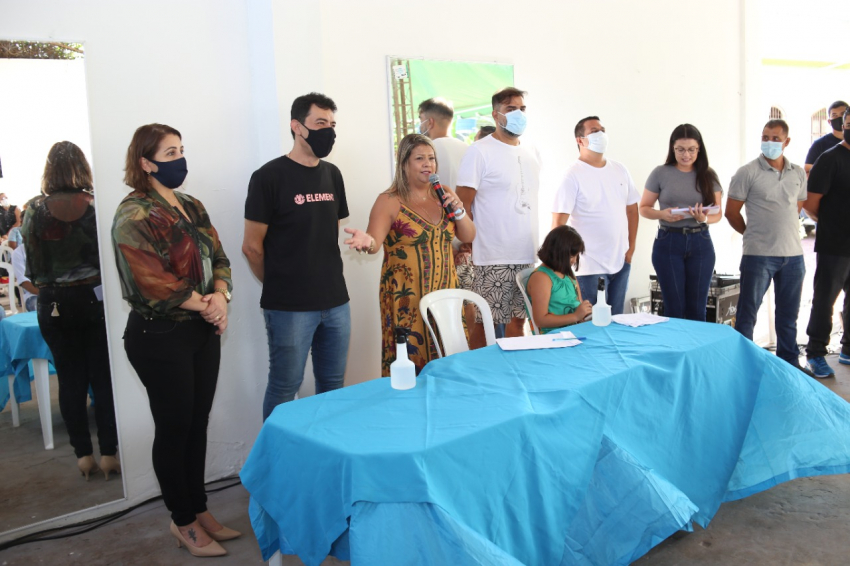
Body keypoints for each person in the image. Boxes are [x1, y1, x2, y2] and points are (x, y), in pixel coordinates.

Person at [113, 124, 237, 557]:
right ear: (146, 163)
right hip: (159, 335)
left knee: (197, 423)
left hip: (200, 330)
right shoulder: (133, 214)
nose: (179, 159)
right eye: (169, 153)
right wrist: (208, 306)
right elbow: (151, 280)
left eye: (181, 150)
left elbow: (219, 257)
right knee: (174, 427)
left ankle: (199, 508)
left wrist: (220, 295)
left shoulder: (191, 204)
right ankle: (182, 521)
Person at [242, 93, 351, 422]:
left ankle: (326, 447)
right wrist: (280, 282)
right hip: (289, 307)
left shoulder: (333, 174)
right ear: (297, 126)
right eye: (320, 123)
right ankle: (276, 454)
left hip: (336, 301)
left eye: (332, 124)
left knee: (333, 385)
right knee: (285, 386)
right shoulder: (268, 177)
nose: (328, 131)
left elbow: (328, 230)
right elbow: (251, 247)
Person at [21, 141, 118, 482]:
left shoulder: (34, 210)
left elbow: (32, 269)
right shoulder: (95, 205)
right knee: (103, 379)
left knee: (69, 380)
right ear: (83, 167)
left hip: (52, 303)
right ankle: (109, 453)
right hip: (93, 299)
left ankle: (83, 456)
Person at [344, 134, 475, 374]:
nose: (428, 164)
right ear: (404, 163)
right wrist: (366, 241)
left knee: (451, 362)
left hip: (445, 293)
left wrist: (459, 210)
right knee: (412, 366)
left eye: (432, 158)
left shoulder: (443, 193)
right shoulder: (389, 200)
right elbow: (374, 243)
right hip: (407, 299)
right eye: (420, 159)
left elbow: (468, 236)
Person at [456, 87, 540, 346]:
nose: (518, 114)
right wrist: (469, 243)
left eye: (522, 109)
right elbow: (463, 203)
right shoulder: (479, 151)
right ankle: (478, 370)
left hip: (526, 253)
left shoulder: (532, 152)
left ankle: (514, 368)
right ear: (496, 115)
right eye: (511, 109)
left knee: (519, 322)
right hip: (492, 254)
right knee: (487, 324)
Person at [726, 119, 808, 373]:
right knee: (748, 313)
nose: (769, 142)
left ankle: (789, 364)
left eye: (775, 138)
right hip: (758, 255)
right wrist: (752, 234)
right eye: (765, 137)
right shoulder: (747, 172)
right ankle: (743, 366)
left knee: (788, 315)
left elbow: (796, 207)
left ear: (786, 141)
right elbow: (731, 212)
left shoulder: (797, 173)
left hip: (793, 256)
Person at [552, 116, 640, 315]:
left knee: (616, 320)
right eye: (594, 131)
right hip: (589, 266)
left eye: (602, 130)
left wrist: (631, 248)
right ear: (580, 140)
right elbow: (558, 223)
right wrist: (564, 260)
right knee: (593, 324)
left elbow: (632, 210)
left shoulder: (620, 169)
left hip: (620, 262)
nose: (600, 134)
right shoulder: (572, 175)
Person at [639, 124, 723, 320]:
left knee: (697, 309)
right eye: (681, 150)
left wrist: (703, 218)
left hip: (700, 242)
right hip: (668, 241)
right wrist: (662, 214)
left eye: (691, 149)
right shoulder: (660, 173)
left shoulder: (708, 175)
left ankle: (695, 342)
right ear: (672, 148)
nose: (686, 155)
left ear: (699, 149)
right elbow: (644, 208)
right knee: (674, 308)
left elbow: (718, 214)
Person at [802, 108, 850, 378]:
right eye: (848, 123)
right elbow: (810, 204)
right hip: (834, 244)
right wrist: (834, 222)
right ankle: (816, 353)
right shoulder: (830, 159)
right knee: (825, 299)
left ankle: (847, 350)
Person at [526, 225, 592, 334]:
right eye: (571, 256)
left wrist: (584, 313)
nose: (574, 261)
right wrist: (576, 316)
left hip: (574, 331)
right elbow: (540, 320)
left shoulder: (568, 273)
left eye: (576, 256)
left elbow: (577, 304)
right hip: (553, 335)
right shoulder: (541, 278)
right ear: (557, 253)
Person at [418, 97, 469, 190]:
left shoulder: (425, 151)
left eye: (421, 121)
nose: (420, 125)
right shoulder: (467, 148)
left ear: (430, 122)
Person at [805, 100, 847, 175]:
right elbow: (807, 169)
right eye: (834, 115)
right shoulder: (819, 144)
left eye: (843, 114)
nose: (839, 118)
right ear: (829, 121)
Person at [12, 241, 38, 312]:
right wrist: (46, 294)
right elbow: (24, 282)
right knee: (37, 306)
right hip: (34, 294)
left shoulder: (54, 248)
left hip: (60, 291)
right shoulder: (18, 252)